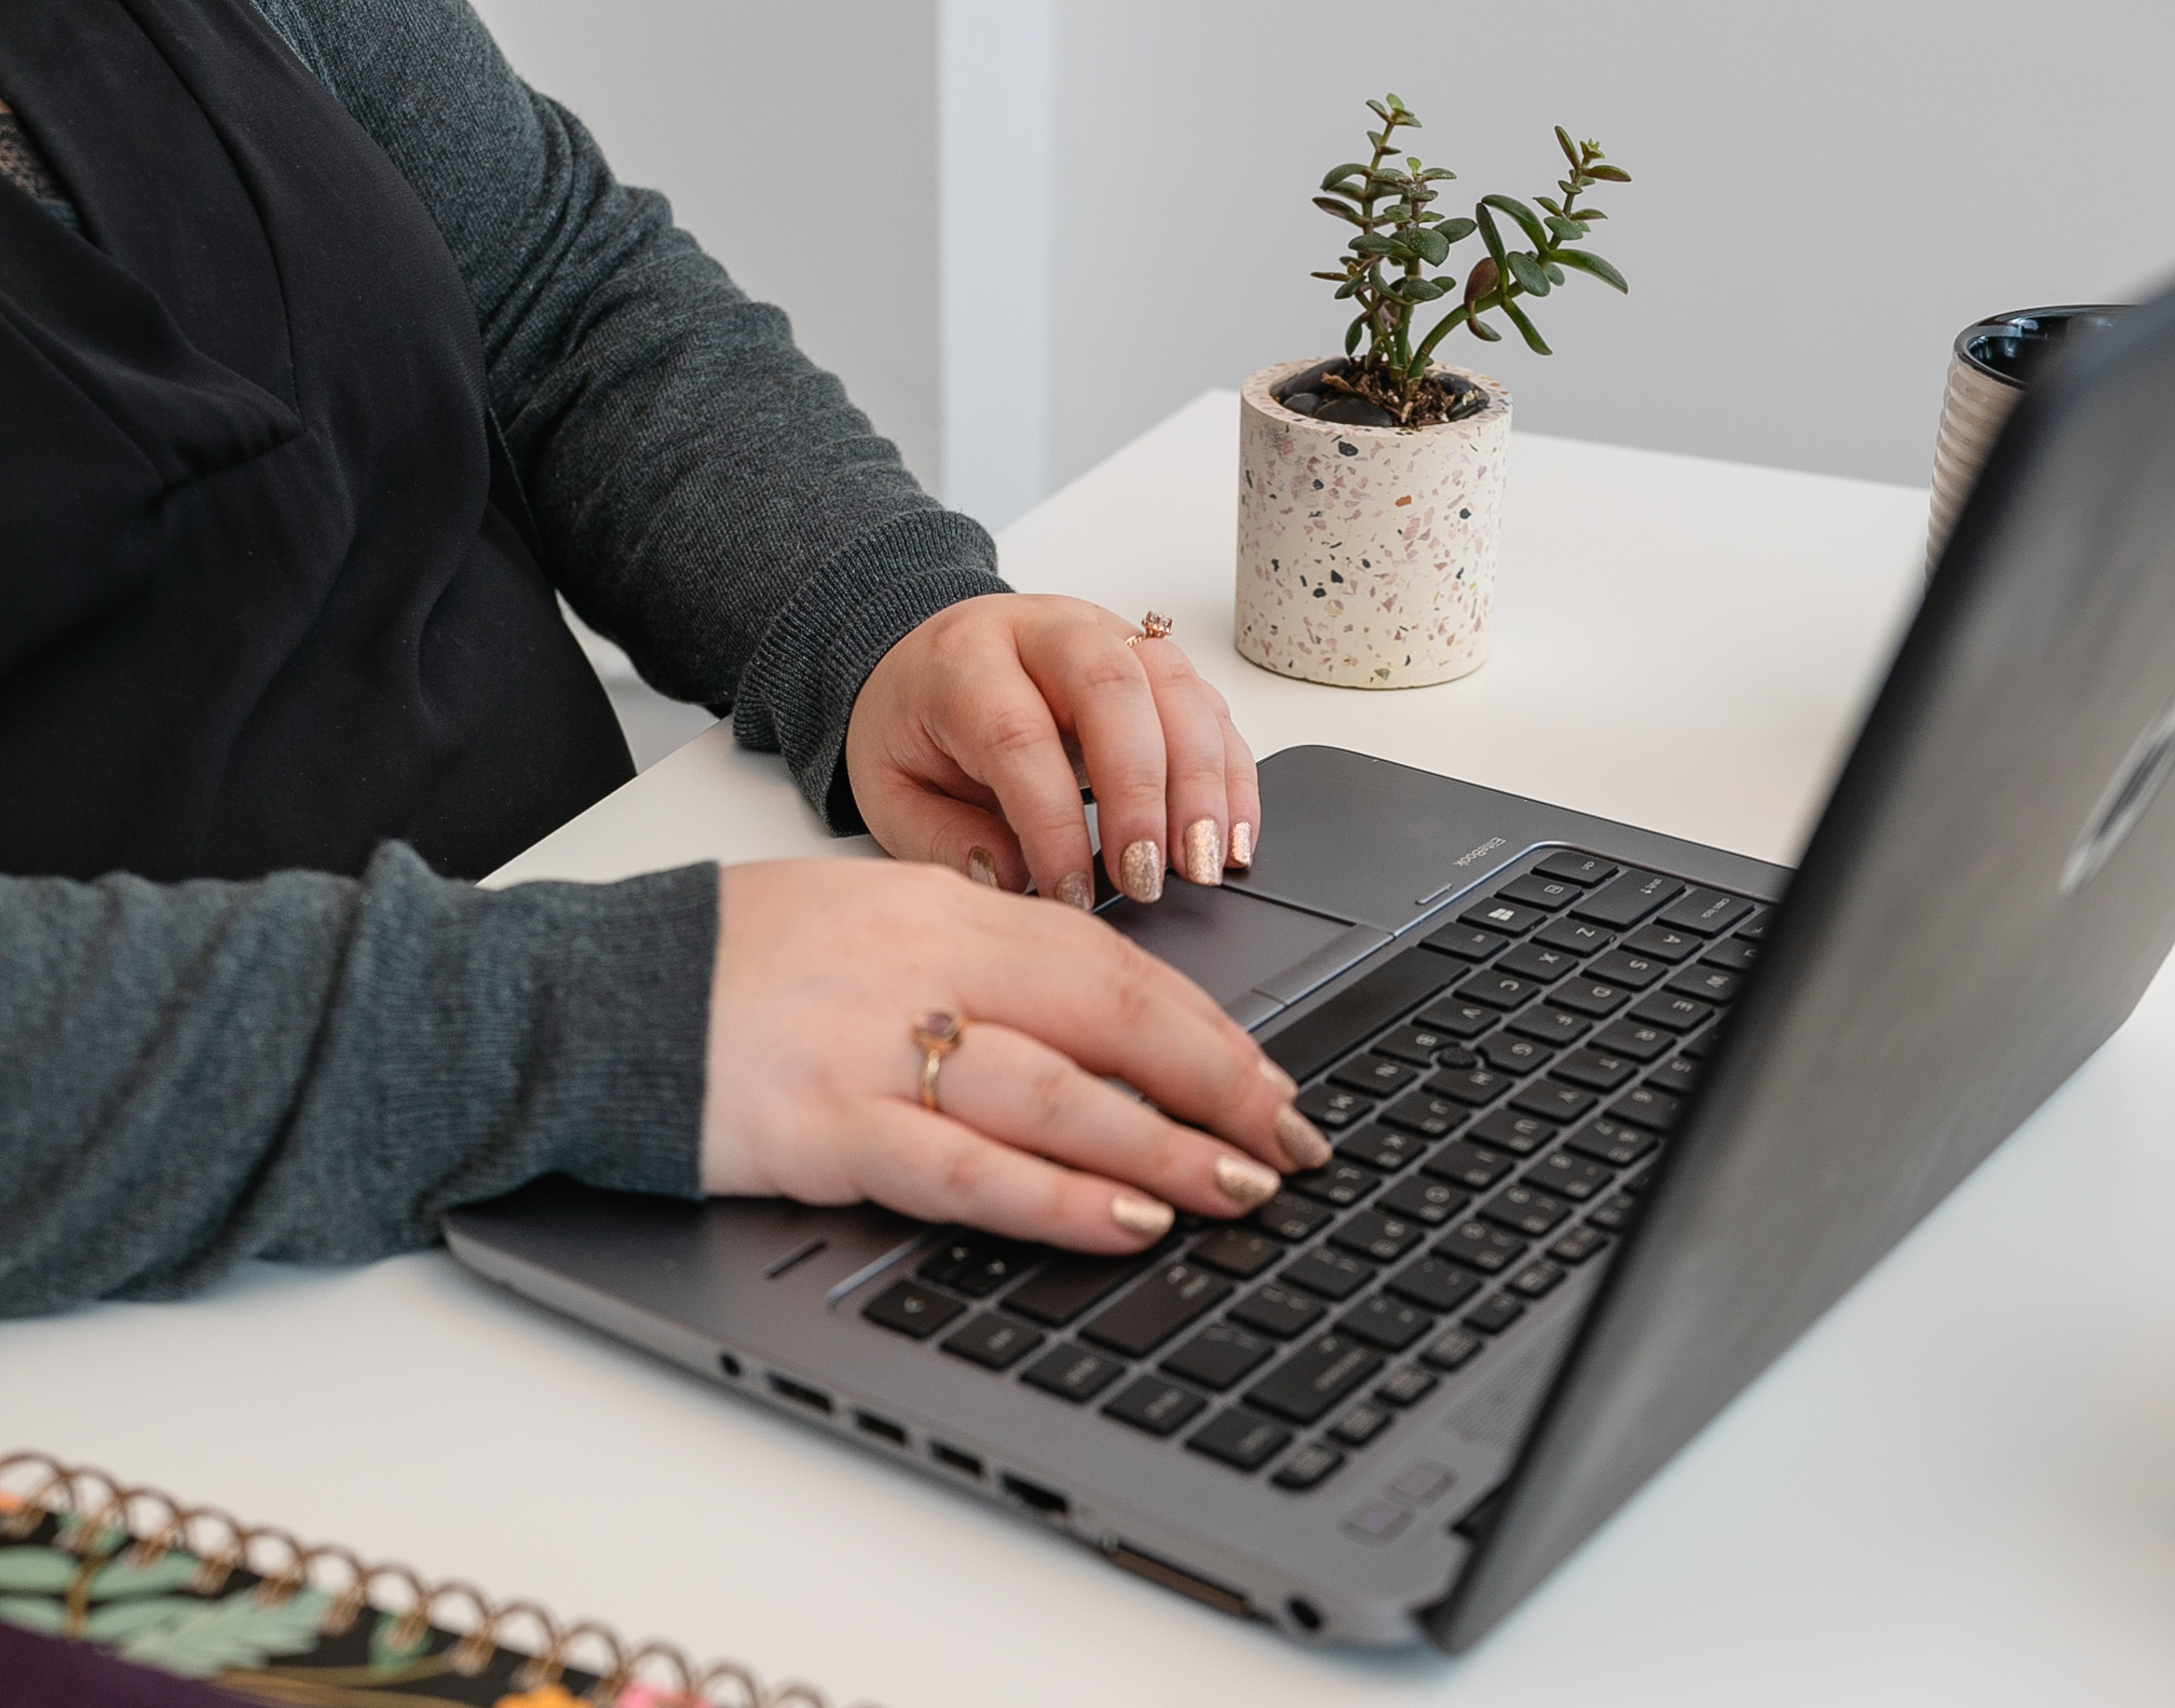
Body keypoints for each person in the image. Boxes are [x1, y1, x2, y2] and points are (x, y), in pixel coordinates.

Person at [0, 0, 1330, 1321]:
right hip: (179, 1308)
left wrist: (881, 613)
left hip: (673, 1063)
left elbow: (554, 296)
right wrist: (602, 1020)